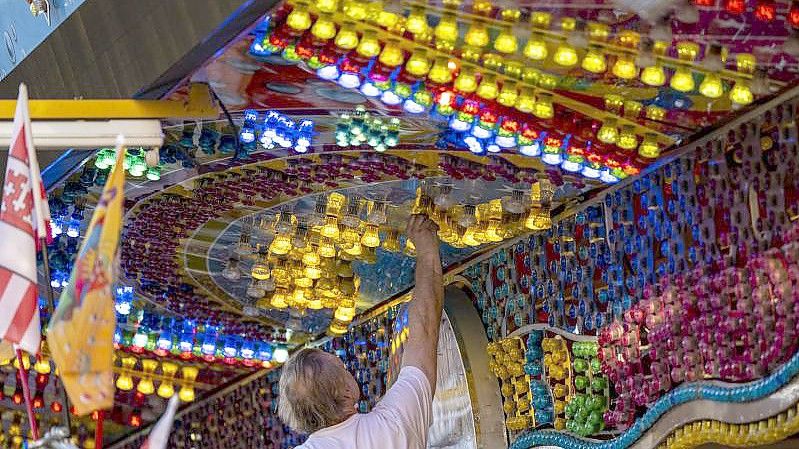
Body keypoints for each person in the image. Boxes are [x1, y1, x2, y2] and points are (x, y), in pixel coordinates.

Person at [277, 214, 444, 449]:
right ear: (345, 392)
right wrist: (427, 247)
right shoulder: (392, 425)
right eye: (342, 368)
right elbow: (425, 328)